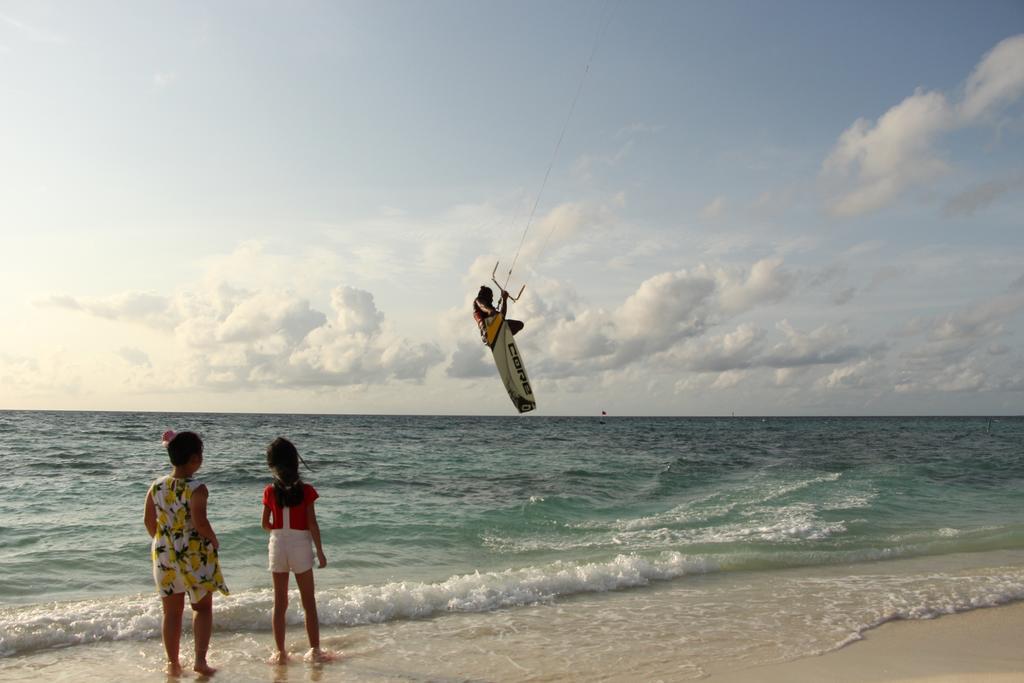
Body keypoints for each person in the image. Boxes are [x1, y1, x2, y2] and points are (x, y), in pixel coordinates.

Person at [143, 430, 229, 677]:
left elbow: (148, 520)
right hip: (194, 554)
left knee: (171, 612)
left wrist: (162, 542)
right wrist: (213, 539)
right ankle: (200, 661)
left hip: (164, 554)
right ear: (194, 459)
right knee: (202, 608)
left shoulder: (156, 485)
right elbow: (200, 522)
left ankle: (173, 663)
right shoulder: (197, 488)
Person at [262, 437, 329, 664]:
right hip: (300, 544)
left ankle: (280, 652)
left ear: (272, 464)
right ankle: (315, 650)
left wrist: (278, 529)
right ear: (295, 462)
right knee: (308, 602)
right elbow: (312, 523)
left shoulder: (270, 491)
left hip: (278, 545)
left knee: (279, 603)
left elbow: (265, 524)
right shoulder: (307, 491)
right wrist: (319, 550)